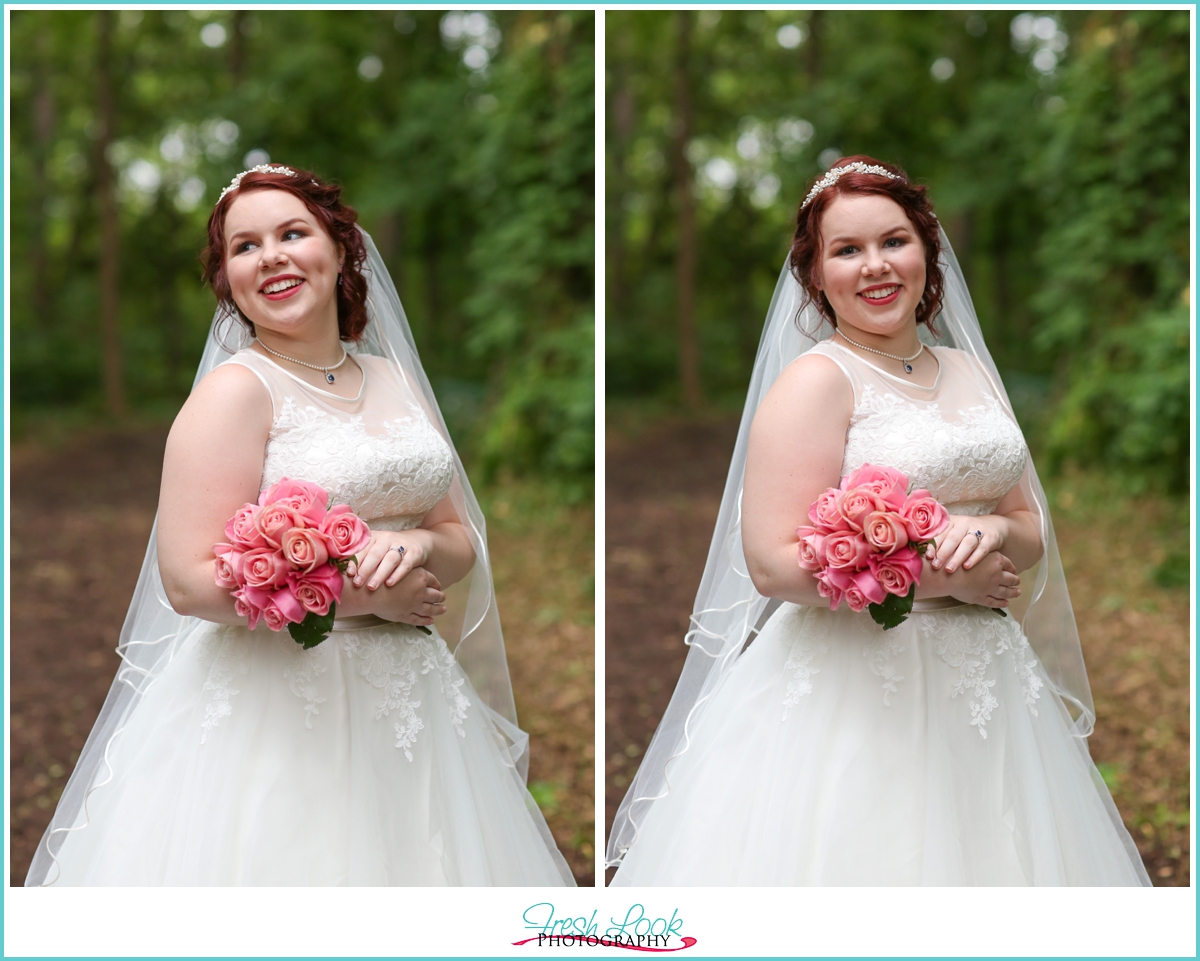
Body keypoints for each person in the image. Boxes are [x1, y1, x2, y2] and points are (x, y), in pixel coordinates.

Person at [607, 157, 1150, 886]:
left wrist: (989, 532)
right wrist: (939, 580)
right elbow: (773, 561)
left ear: (927, 248)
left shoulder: (971, 371)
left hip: (987, 680)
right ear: (815, 274)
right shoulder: (816, 383)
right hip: (857, 682)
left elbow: (1025, 522)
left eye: (894, 241)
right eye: (847, 250)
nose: (876, 267)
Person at [27, 165, 574, 886]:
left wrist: (412, 545)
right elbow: (190, 582)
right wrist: (366, 599)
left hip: (412, 697)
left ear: (341, 250)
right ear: (228, 279)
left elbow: (457, 539)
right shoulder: (234, 394)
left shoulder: (394, 379)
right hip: (277, 702)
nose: (273, 256)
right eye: (245, 246)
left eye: (292, 233)